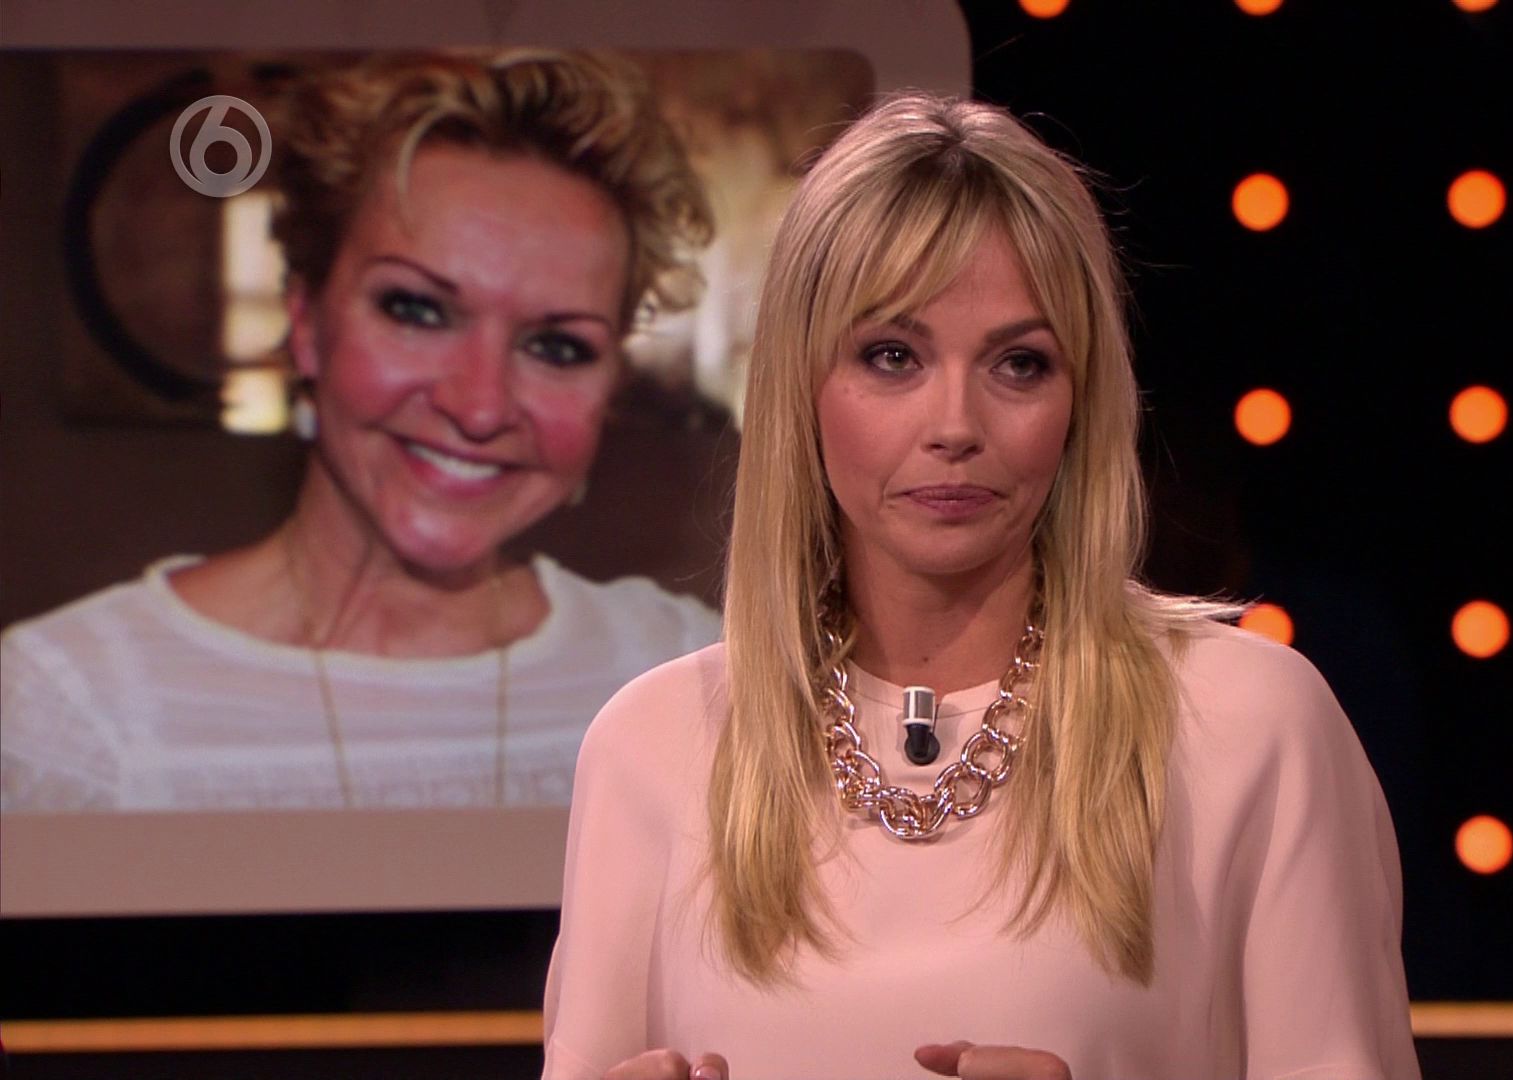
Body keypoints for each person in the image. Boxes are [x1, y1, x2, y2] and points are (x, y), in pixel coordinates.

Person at [541, 93, 1419, 1080]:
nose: (955, 424)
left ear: (1082, 399)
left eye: (1018, 364)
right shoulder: (653, 747)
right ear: (799, 387)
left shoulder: (1250, 726)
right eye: (892, 356)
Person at [0, 50, 721, 811]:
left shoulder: (690, 681)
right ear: (306, 322)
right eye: (416, 310)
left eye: (557, 347)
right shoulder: (62, 712)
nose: (479, 407)